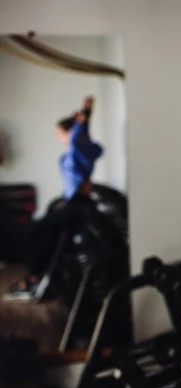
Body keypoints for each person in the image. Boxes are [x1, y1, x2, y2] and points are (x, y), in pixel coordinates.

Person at [5, 96, 105, 301]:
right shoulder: (74, 153)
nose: (59, 137)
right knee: (42, 230)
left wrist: (86, 113)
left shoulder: (78, 149)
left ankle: (34, 277)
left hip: (79, 202)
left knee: (34, 230)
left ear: (70, 132)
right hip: (72, 201)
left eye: (60, 133)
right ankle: (39, 277)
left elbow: (80, 134)